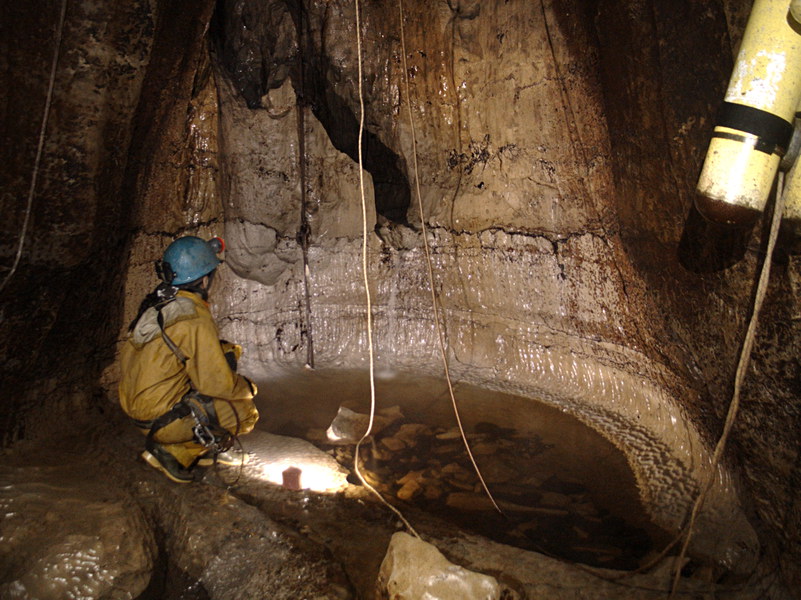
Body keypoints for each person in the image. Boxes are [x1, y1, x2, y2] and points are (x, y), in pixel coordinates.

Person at [119, 235, 259, 483]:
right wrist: (247, 388)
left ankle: (201, 448)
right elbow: (218, 385)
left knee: (224, 353)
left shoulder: (158, 303)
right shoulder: (193, 317)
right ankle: (174, 451)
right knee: (245, 411)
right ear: (205, 279)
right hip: (161, 420)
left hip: (138, 410)